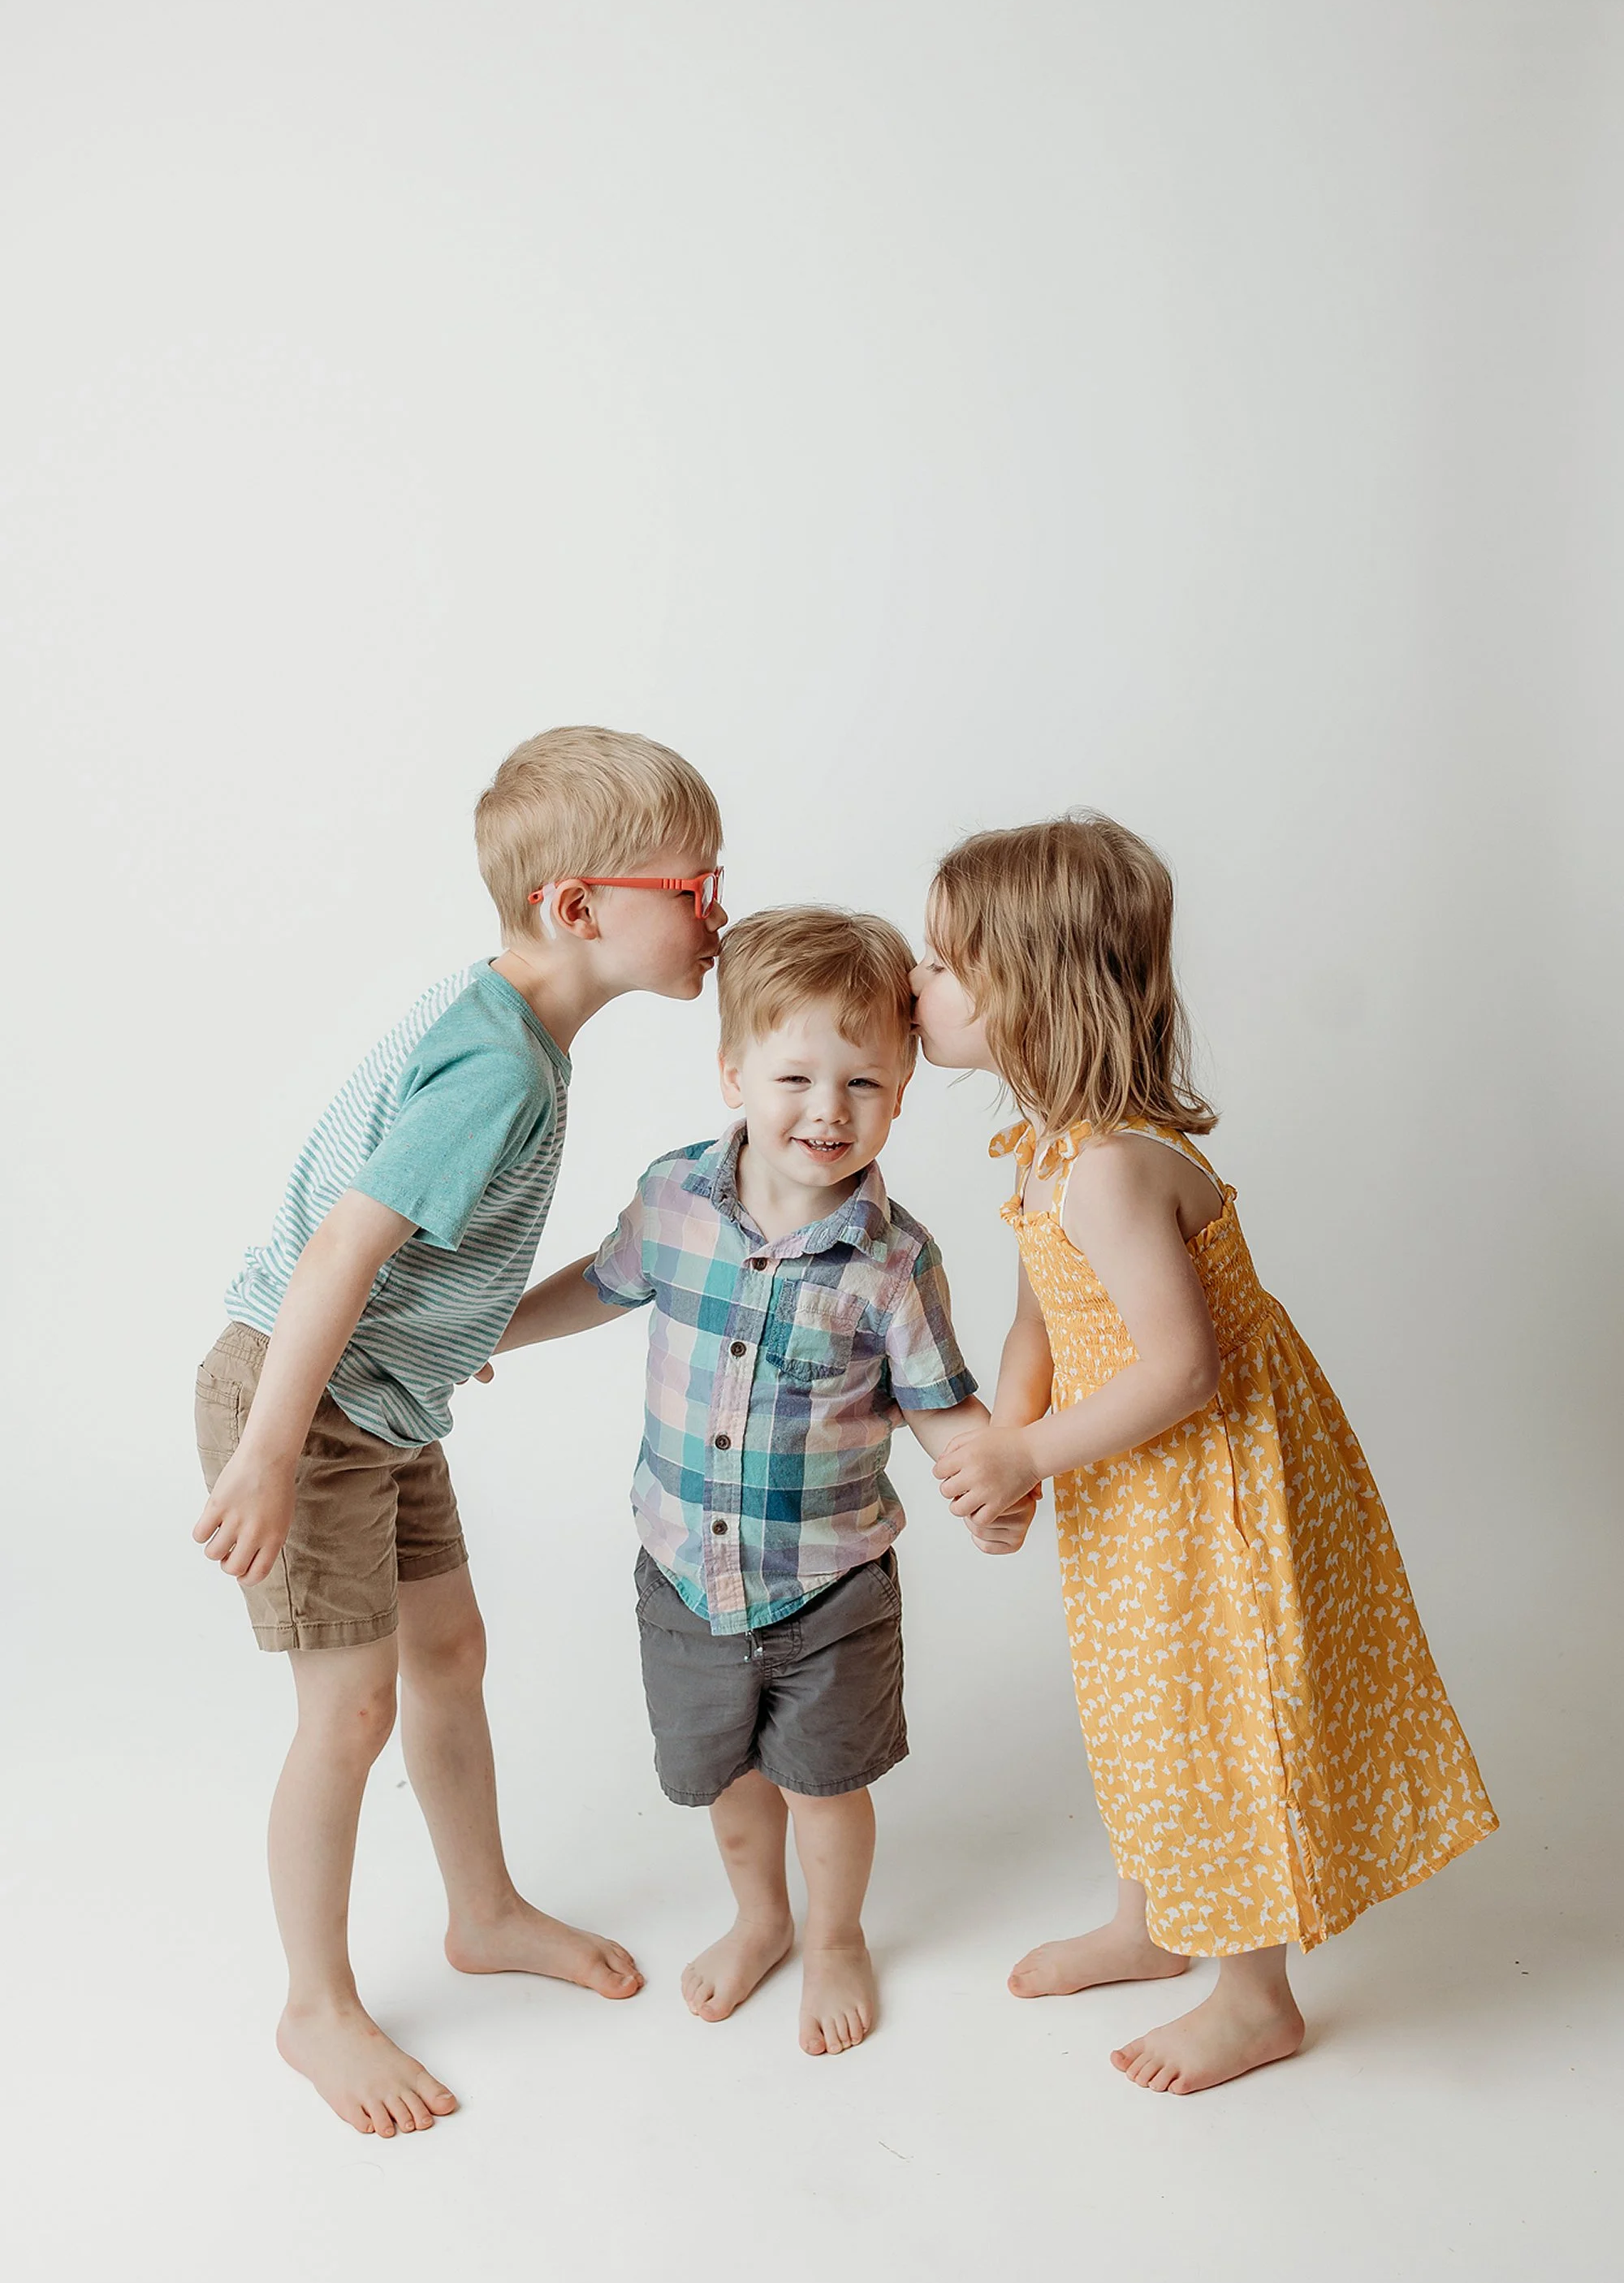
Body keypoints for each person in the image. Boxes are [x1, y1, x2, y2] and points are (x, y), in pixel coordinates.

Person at [192, 725, 727, 2137]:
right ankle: (314, 2005)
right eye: (694, 885)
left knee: (452, 1654)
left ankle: (482, 1910)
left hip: (384, 1405)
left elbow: (427, 1261)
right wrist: (264, 1449)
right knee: (347, 1710)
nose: (715, 913)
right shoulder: (497, 1064)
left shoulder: (517, 1032)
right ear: (580, 907)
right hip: (308, 1410)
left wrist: (461, 1338)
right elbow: (339, 1258)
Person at [914, 813, 1497, 2095]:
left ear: (1035, 991)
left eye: (944, 963)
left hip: (1212, 1482)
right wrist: (1012, 1448)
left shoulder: (1114, 1170)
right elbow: (1035, 1323)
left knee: (1218, 1715)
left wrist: (1033, 1458)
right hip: (1134, 1475)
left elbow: (1183, 1367)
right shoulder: (1046, 1148)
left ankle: (1255, 1996)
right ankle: (1151, 1921)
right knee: (1141, 1701)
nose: (915, 985)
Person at [484, 906, 1029, 2055]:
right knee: (726, 1781)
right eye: (795, 1077)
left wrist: (994, 1483)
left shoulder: (894, 1262)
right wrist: (503, 1327)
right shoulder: (675, 1198)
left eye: (864, 1085)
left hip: (831, 1586)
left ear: (900, 1093)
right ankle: (760, 1917)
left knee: (825, 1789)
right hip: (683, 1573)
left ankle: (835, 1937)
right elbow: (605, 1282)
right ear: (732, 1070)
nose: (828, 1113)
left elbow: (941, 1407)